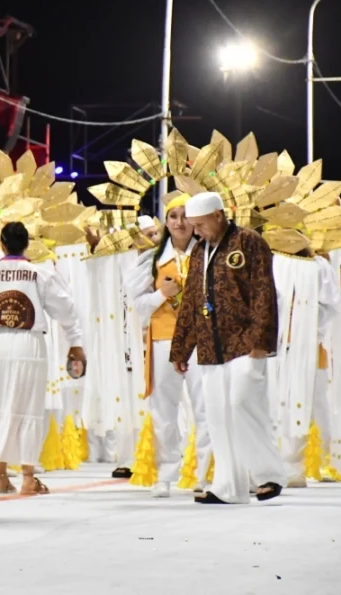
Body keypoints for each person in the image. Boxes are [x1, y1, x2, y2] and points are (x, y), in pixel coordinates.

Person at [0, 222, 86, 495]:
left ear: (1, 245)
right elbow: (67, 310)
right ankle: (27, 477)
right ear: (27, 244)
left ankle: (0, 477)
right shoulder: (41, 275)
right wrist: (75, 343)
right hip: (29, 345)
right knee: (27, 409)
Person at [170, 192, 285, 504]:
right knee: (218, 416)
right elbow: (191, 301)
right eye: (193, 226)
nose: (196, 231)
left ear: (219, 215)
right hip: (210, 347)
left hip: (246, 345)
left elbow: (264, 293)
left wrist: (260, 343)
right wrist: (181, 349)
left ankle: (268, 475)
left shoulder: (249, 242)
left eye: (201, 224)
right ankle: (229, 487)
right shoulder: (198, 252)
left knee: (242, 404)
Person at [127, 195, 211, 498]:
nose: (179, 222)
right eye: (173, 216)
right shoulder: (151, 259)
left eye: (184, 216)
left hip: (201, 342)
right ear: (166, 221)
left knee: (204, 409)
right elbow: (136, 306)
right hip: (164, 339)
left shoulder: (208, 254)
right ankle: (165, 474)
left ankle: (204, 475)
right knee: (164, 410)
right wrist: (161, 294)